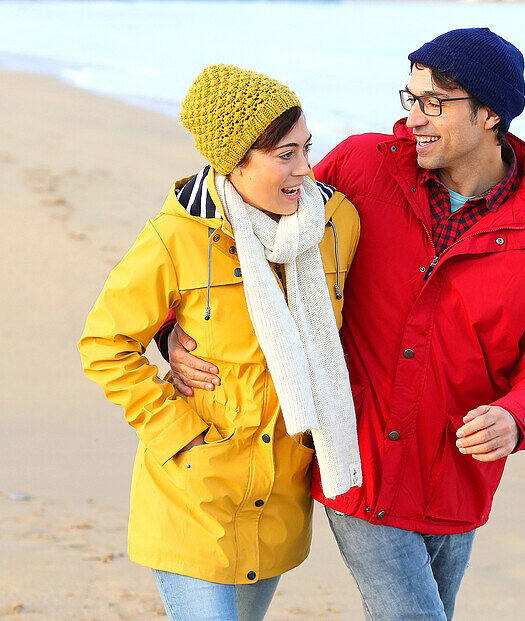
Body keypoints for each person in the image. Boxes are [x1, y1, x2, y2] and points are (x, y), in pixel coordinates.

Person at [166, 28, 525, 620]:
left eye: (435, 103)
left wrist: (517, 418)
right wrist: (171, 329)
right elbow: (235, 219)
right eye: (411, 97)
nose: (415, 117)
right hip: (357, 459)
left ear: (491, 113)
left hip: (459, 476)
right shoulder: (365, 166)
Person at [79, 64, 362, 621]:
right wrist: (179, 432)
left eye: (307, 148)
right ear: (235, 161)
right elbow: (104, 344)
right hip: (193, 492)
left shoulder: (335, 224)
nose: (305, 170)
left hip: (279, 494)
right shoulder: (177, 236)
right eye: (285, 155)